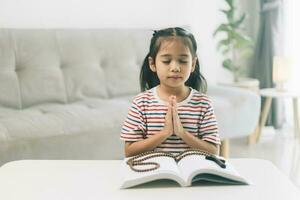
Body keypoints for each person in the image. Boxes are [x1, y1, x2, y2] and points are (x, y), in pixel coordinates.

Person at [120, 27, 221, 157]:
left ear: (193, 64)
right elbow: (129, 151)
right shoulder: (141, 102)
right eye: (166, 61)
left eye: (183, 61)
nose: (175, 68)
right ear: (153, 64)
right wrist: (164, 133)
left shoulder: (203, 103)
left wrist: (182, 133)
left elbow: (214, 151)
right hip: (154, 171)